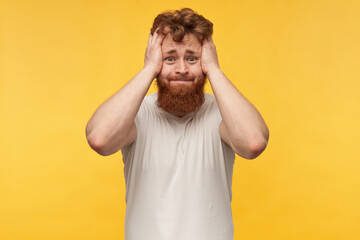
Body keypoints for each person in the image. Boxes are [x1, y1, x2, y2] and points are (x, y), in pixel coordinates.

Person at [86, 8, 269, 240]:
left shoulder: (222, 114)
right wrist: (148, 69)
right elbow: (99, 139)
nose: (181, 69)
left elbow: (253, 143)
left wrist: (214, 69)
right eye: (169, 58)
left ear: (204, 60)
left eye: (192, 58)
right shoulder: (137, 114)